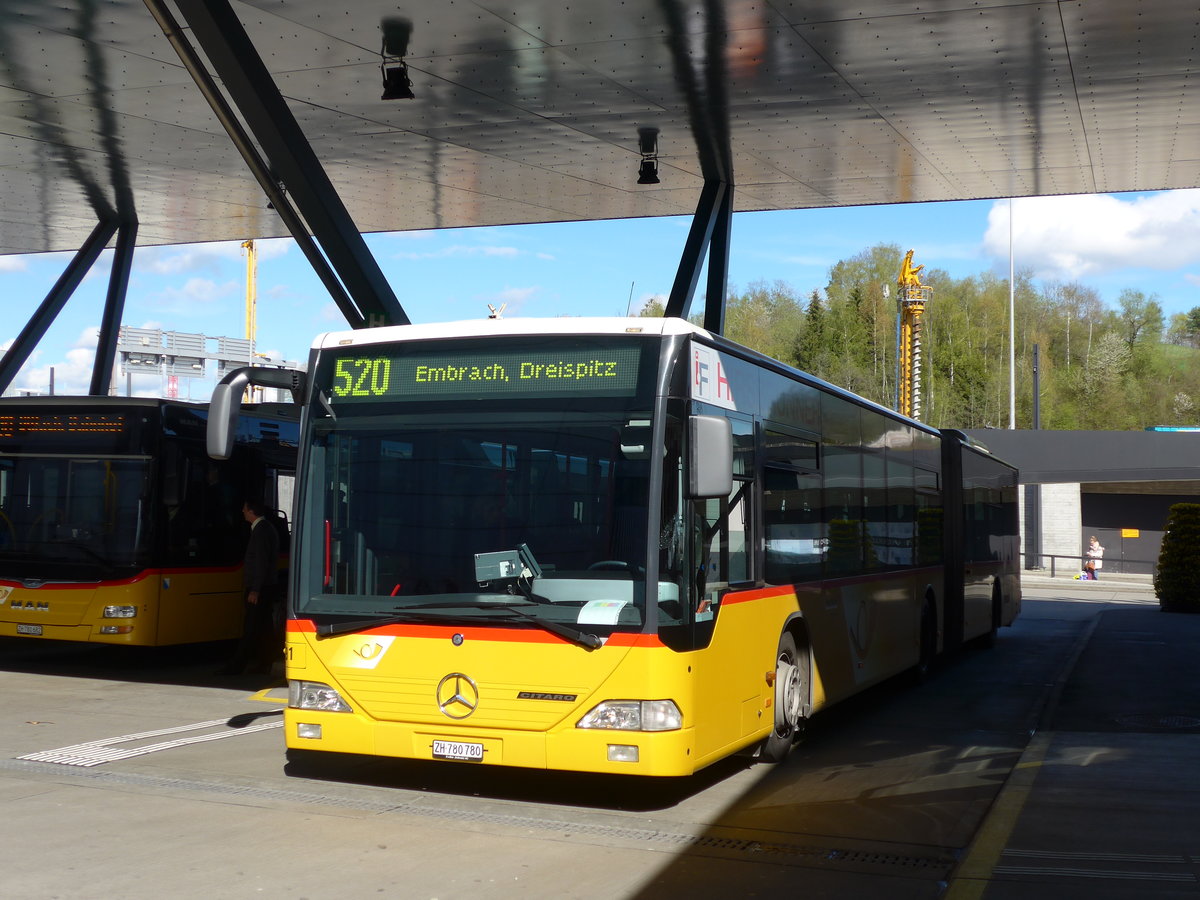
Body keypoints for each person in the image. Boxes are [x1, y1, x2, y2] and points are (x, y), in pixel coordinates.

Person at [219, 498, 282, 675]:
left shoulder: (261, 531)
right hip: (267, 586)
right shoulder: (267, 528)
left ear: (252, 511)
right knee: (264, 627)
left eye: (245, 509)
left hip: (260, 588)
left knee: (251, 626)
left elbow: (260, 562)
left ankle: (236, 666)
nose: (243, 512)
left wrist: (255, 589)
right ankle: (265, 663)